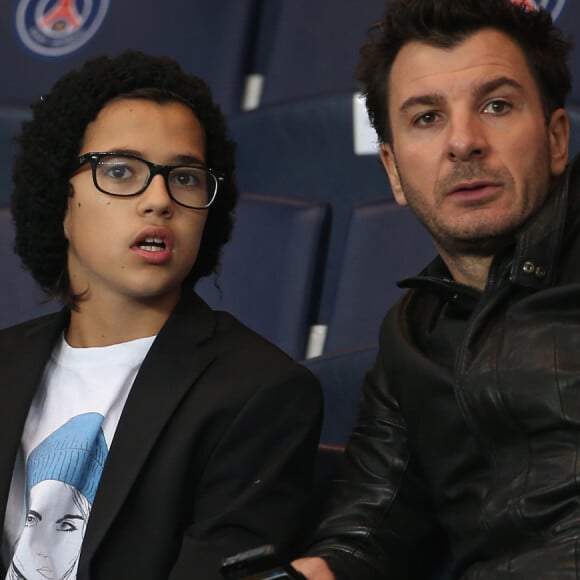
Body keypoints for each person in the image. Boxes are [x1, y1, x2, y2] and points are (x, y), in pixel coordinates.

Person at [0, 50, 322, 579]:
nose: (159, 199)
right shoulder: (6, 363)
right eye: (122, 171)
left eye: (187, 178)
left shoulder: (260, 394)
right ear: (61, 200)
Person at [292, 0, 580, 578]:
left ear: (556, 139)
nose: (464, 142)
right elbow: (365, 535)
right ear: (394, 170)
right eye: (427, 117)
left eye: (496, 106)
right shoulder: (411, 335)